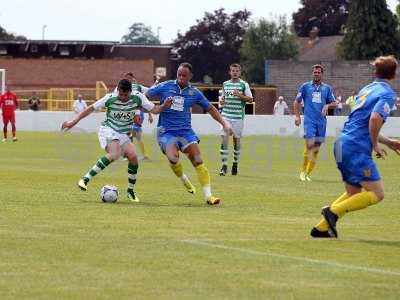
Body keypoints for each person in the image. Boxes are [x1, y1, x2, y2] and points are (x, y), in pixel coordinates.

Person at [311, 55, 400, 238]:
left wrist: (389, 142)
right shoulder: (388, 94)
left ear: (375, 72)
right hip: (356, 148)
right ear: (394, 74)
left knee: (353, 192)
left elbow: (364, 122)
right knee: (377, 194)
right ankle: (332, 212)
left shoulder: (367, 89)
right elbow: (375, 119)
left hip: (342, 144)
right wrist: (375, 144)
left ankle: (320, 229)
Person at [61, 79, 172, 202]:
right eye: (121, 94)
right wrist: (73, 122)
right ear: (118, 90)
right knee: (115, 154)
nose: (123, 97)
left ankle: (130, 191)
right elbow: (90, 109)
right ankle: (85, 179)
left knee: (134, 157)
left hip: (123, 133)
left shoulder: (138, 97)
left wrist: (164, 106)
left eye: (126, 95)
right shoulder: (110, 98)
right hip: (108, 129)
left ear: (130, 91)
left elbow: (155, 110)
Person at [145, 62, 232, 205]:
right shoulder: (165, 86)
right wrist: (153, 109)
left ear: (190, 76)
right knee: (173, 158)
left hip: (185, 132)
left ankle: (209, 196)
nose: (180, 77)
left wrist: (224, 123)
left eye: (184, 75)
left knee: (197, 159)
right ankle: (183, 179)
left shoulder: (194, 93)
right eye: (179, 74)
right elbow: (145, 96)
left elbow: (210, 108)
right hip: (166, 132)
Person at [294, 64, 337, 181]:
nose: (316, 74)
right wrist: (297, 117)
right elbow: (296, 102)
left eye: (318, 72)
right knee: (309, 144)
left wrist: (328, 105)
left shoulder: (327, 88)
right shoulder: (305, 87)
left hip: (321, 122)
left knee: (316, 148)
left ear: (322, 74)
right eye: (315, 72)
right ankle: (302, 172)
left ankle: (308, 173)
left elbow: (335, 103)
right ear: (312, 73)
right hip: (309, 120)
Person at [219, 63, 253, 176]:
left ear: (240, 72)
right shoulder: (225, 84)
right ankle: (224, 166)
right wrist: (222, 102)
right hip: (225, 116)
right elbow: (222, 100)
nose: (235, 73)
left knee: (236, 141)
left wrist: (240, 95)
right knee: (224, 138)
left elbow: (250, 99)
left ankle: (235, 164)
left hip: (238, 117)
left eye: (237, 71)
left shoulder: (244, 84)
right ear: (230, 72)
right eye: (233, 71)